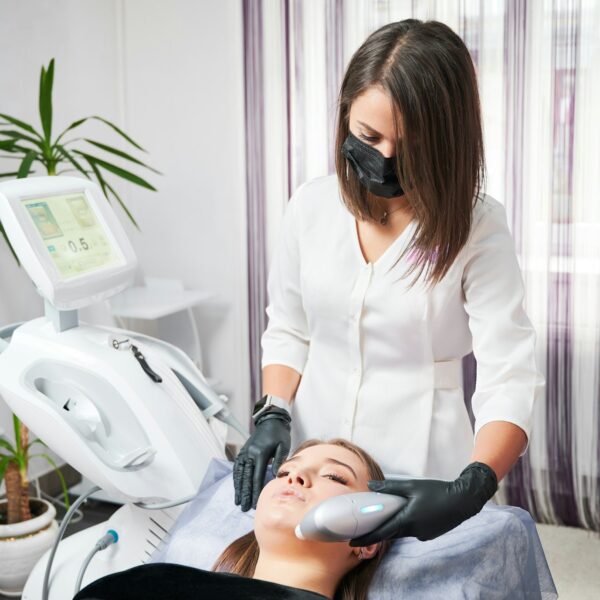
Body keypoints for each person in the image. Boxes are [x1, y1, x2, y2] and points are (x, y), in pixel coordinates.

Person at [233, 17, 545, 548]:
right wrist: (274, 411)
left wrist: (470, 487)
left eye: (410, 143)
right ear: (344, 117)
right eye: (368, 135)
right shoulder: (311, 207)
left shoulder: (478, 226)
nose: (385, 158)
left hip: (423, 471)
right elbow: (289, 329)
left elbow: (509, 375)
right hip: (316, 459)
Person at [73, 439, 390, 600]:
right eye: (284, 472)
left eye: (334, 476)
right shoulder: (155, 584)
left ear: (368, 541)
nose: (297, 476)